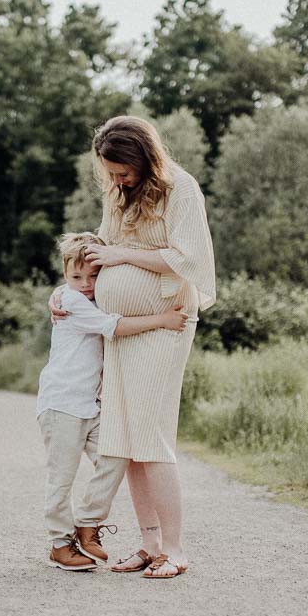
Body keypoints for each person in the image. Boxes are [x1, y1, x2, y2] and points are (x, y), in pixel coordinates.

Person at [54, 116, 215, 579]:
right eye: (112, 173)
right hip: (121, 332)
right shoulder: (118, 193)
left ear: (146, 158)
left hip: (166, 325)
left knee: (151, 433)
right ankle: (148, 545)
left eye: (124, 171)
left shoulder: (182, 189)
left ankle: (176, 548)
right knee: (122, 438)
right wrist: (63, 291)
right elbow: (99, 246)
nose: (118, 180)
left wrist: (124, 256)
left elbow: (189, 258)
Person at [38, 231, 188, 572]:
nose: (86, 284)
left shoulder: (88, 299)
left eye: (93, 276)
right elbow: (114, 327)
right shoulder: (71, 301)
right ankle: (60, 544)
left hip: (89, 406)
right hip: (61, 403)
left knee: (116, 455)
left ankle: (88, 523)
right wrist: (163, 320)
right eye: (77, 277)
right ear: (65, 276)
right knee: (62, 477)